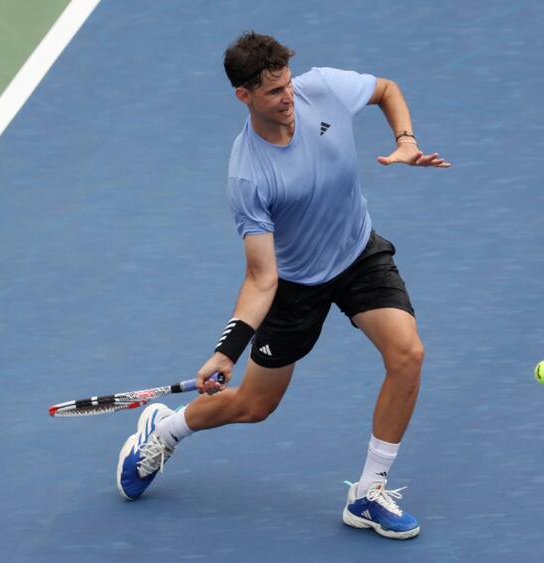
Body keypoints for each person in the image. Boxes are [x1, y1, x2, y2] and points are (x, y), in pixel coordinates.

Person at [116, 31, 450, 540]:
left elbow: (386, 89)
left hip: (358, 252)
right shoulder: (248, 174)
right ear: (243, 96)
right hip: (295, 285)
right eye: (273, 93)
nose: (288, 98)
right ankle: (165, 430)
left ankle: (367, 492)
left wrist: (406, 141)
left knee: (408, 354)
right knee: (255, 405)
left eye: (288, 85)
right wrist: (227, 351)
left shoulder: (324, 89)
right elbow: (261, 276)